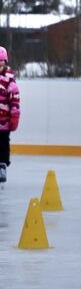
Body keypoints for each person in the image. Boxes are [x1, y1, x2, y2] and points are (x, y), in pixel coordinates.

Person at [0, 46, 20, 185]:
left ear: (5, 62)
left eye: (1, 61)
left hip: (4, 121)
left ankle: (2, 166)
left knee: (2, 143)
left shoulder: (9, 80)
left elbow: (15, 99)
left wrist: (15, 117)